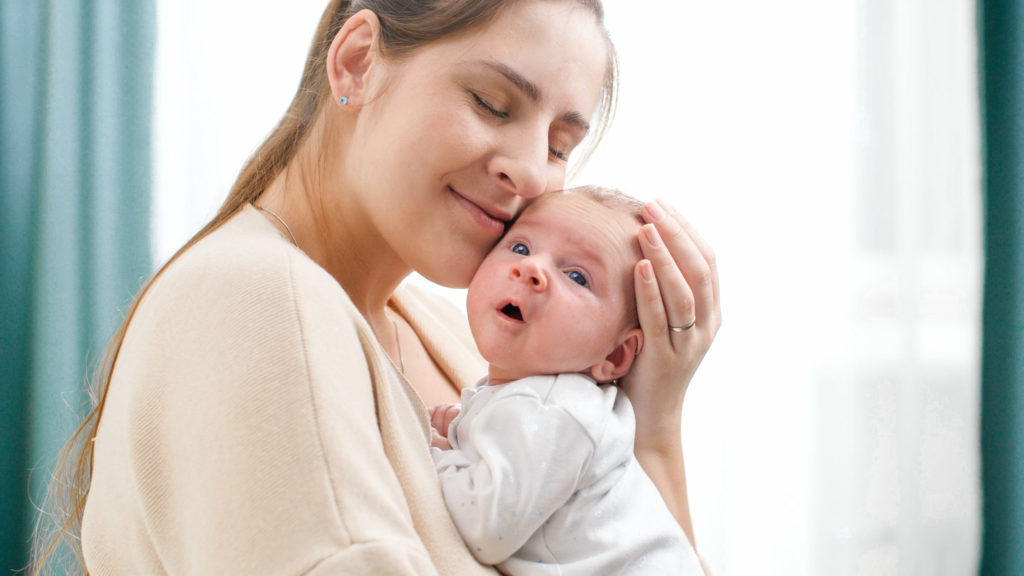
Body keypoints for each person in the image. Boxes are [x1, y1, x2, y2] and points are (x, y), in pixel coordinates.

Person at [30, 1, 721, 575]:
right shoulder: (261, 306)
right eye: (492, 102)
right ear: (358, 61)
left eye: (560, 145)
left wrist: (653, 419)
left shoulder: (453, 337)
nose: (531, 173)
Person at [429, 186, 706, 575]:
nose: (532, 269)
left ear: (615, 355)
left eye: (577, 276)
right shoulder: (541, 401)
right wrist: (460, 430)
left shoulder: (559, 409)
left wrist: (436, 456)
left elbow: (483, 526)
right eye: (521, 248)